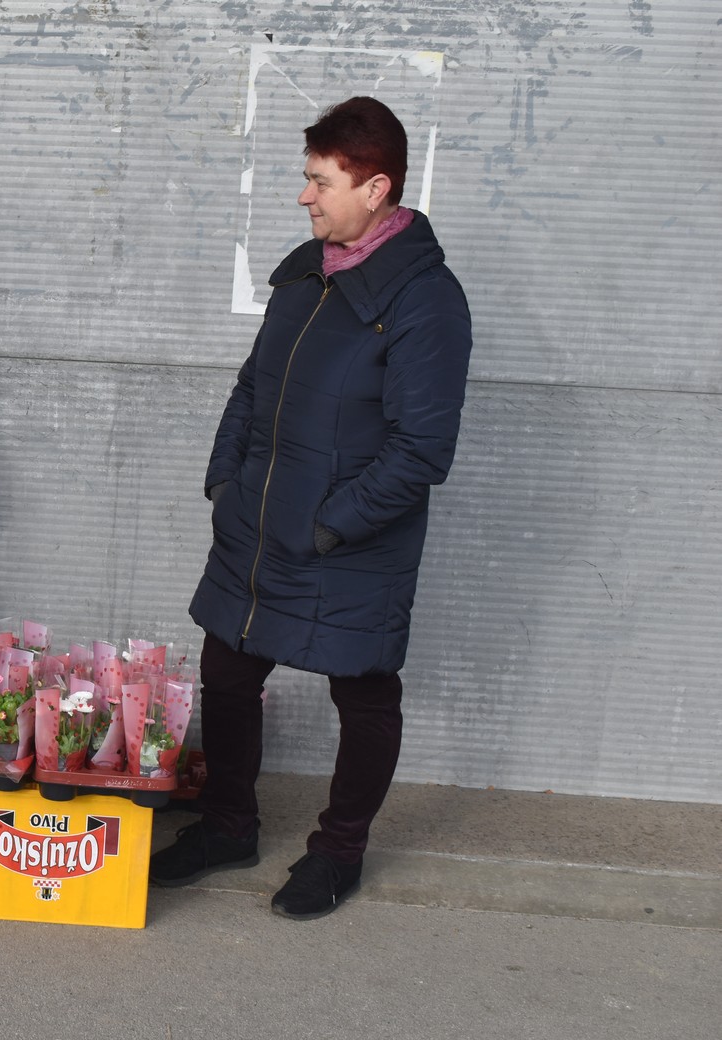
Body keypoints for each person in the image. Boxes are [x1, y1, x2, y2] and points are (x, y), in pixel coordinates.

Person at [151, 96, 472, 919]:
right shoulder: (304, 274)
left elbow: (420, 451)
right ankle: (228, 825)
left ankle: (338, 851)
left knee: (364, 693)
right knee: (227, 672)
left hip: (347, 543)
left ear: (376, 188)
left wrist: (330, 525)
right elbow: (251, 386)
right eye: (307, 178)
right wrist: (226, 483)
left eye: (320, 182)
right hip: (256, 527)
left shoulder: (426, 300)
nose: (305, 196)